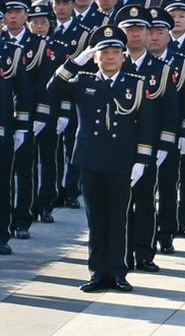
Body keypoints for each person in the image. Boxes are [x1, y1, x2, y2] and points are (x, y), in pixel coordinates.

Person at [47, 25, 157, 294]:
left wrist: (142, 159)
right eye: (104, 52)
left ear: (123, 56)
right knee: (96, 220)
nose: (110, 57)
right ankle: (98, 272)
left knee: (118, 218)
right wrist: (77, 61)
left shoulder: (135, 84)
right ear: (95, 57)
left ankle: (118, 272)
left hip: (121, 160)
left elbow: (146, 124)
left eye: (115, 52)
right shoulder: (84, 81)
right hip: (91, 159)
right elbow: (54, 87)